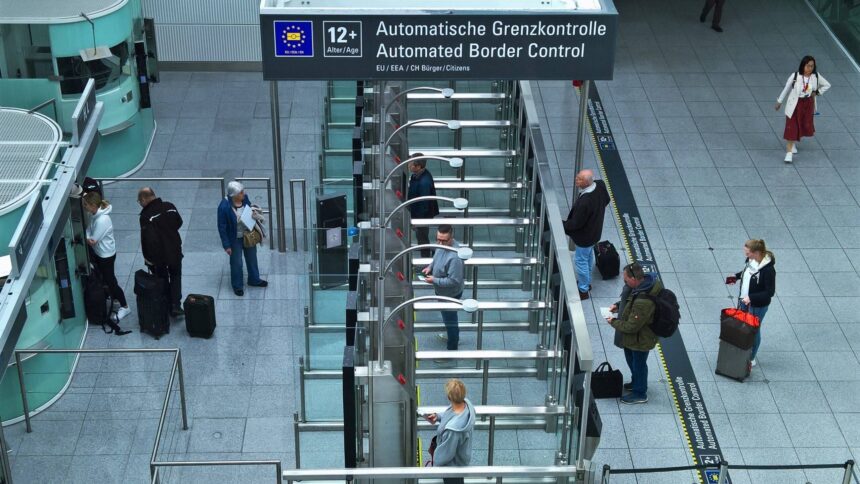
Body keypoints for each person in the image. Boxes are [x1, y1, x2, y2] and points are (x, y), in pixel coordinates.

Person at [606, 263, 661, 405]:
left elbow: (631, 326)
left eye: (626, 280)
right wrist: (618, 306)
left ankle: (640, 393)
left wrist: (613, 322)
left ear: (634, 278)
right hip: (634, 338)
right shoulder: (640, 287)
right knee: (632, 360)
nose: (624, 282)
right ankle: (637, 382)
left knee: (639, 364)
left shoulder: (643, 301)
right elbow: (631, 300)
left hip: (641, 339)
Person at [82, 192, 132, 335]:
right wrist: (87, 234)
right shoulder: (95, 216)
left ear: (93, 205)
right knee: (108, 279)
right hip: (102, 253)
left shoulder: (102, 220)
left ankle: (125, 306)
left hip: (106, 256)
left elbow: (92, 240)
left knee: (111, 282)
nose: (85, 208)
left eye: (86, 205)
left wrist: (84, 235)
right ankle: (116, 298)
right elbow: (90, 232)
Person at [727, 239, 775, 367]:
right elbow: (746, 273)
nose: (746, 256)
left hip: (757, 305)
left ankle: (751, 357)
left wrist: (752, 298)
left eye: (748, 253)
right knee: (744, 326)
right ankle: (743, 348)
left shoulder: (768, 270)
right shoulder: (751, 260)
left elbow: (770, 292)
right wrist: (736, 277)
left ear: (757, 252)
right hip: (744, 300)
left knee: (754, 330)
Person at [563, 169, 610, 300]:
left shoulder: (585, 202)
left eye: (580, 179)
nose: (576, 180)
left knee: (580, 260)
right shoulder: (600, 185)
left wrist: (561, 224)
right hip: (595, 232)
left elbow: (576, 223)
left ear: (588, 182)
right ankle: (587, 282)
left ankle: (583, 289)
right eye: (577, 177)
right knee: (588, 256)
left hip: (585, 237)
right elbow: (607, 199)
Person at [138, 187, 184, 316]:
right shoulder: (170, 206)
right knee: (176, 276)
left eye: (139, 201)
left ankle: (166, 303)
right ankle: (176, 304)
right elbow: (179, 222)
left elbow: (148, 240)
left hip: (159, 256)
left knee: (162, 279)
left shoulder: (145, 216)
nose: (140, 204)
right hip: (175, 249)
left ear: (143, 199)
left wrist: (148, 257)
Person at [776, 55, 830, 163]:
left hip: (807, 104)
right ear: (803, 65)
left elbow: (827, 85)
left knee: (801, 125)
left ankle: (793, 143)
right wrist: (779, 101)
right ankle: (789, 153)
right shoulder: (795, 76)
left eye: (812, 66)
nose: (810, 68)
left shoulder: (816, 76)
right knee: (792, 126)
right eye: (808, 66)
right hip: (795, 104)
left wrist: (817, 92)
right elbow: (786, 89)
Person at [217, 181, 268, 296]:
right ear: (233, 195)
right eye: (240, 193)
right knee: (237, 263)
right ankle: (237, 286)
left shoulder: (245, 199)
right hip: (234, 238)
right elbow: (222, 227)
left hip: (247, 233)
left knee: (252, 258)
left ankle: (254, 279)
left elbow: (248, 210)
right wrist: (226, 245)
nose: (243, 194)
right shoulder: (224, 207)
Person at [422, 225, 465, 352]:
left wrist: (434, 280)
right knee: (448, 317)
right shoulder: (442, 245)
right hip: (441, 291)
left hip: (450, 294)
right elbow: (437, 258)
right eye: (438, 239)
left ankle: (452, 348)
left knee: (451, 320)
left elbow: (454, 280)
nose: (440, 243)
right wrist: (430, 267)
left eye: (444, 240)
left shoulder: (455, 257)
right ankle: (451, 335)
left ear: (451, 237)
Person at [424, 378, 476, 484]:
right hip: (461, 456)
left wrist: (436, 463)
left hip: (453, 465)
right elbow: (451, 413)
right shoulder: (465, 405)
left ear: (449, 397)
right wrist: (438, 416)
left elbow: (447, 453)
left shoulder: (453, 430)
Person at [407, 154, 440, 258]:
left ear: (418, 166)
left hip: (422, 216)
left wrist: (415, 221)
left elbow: (423, 206)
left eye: (411, 164)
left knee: (422, 237)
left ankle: (425, 259)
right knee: (421, 236)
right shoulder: (418, 175)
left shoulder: (424, 183)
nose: (408, 166)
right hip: (418, 211)